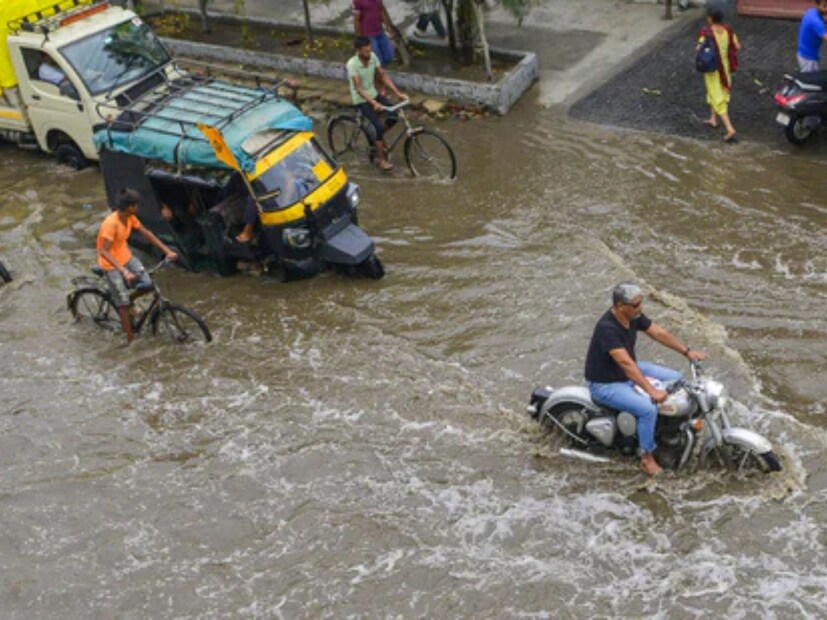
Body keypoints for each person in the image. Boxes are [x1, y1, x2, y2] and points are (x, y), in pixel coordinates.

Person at [584, 283, 708, 476]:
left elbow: (658, 333)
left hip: (625, 371)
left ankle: (668, 429)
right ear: (620, 306)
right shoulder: (607, 329)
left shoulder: (633, 316)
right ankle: (647, 457)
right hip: (606, 383)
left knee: (676, 379)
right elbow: (625, 363)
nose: (640, 308)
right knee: (647, 409)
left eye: (641, 302)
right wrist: (652, 391)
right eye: (636, 305)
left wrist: (687, 352)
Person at [96, 188, 178, 343]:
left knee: (148, 284)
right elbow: (104, 251)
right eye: (136, 205)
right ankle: (130, 339)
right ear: (129, 207)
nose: (138, 207)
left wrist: (167, 251)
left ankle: (130, 299)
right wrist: (124, 271)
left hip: (126, 257)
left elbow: (147, 233)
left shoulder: (130, 218)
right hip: (111, 264)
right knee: (123, 304)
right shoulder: (111, 224)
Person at [347, 36, 407, 172]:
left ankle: (376, 138)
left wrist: (398, 93)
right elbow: (358, 88)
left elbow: (383, 75)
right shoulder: (352, 64)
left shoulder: (373, 57)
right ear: (358, 51)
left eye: (370, 50)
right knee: (378, 127)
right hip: (361, 100)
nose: (369, 53)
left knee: (394, 115)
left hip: (374, 93)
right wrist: (373, 102)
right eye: (366, 51)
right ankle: (380, 160)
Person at [697, 8, 741, 143]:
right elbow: (737, 46)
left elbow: (698, 48)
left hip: (713, 70)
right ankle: (713, 119)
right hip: (725, 68)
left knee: (717, 96)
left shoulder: (706, 32)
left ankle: (730, 129)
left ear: (710, 18)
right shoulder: (728, 30)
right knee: (716, 92)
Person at [352, 0, 395, 66]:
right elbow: (356, 19)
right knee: (378, 59)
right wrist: (358, 36)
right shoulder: (358, 1)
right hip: (368, 35)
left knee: (389, 56)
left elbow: (381, 11)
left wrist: (388, 27)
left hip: (380, 32)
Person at [798, 0, 827, 72]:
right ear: (817, 5)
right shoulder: (816, 22)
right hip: (808, 58)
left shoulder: (811, 12)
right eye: (825, 6)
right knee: (811, 77)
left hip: (804, 52)